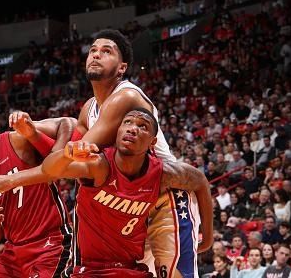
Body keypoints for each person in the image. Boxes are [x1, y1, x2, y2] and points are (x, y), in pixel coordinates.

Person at [0, 29, 213, 278]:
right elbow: (67, 159)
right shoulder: (89, 108)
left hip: (163, 195)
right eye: (93, 50)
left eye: (106, 51)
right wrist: (33, 133)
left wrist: (9, 179)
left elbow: (67, 161)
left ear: (122, 68)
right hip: (128, 207)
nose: (96, 55)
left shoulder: (125, 97)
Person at [40, 109, 212, 277]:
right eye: (127, 122)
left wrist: (208, 238)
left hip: (132, 269)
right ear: (117, 132)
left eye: (142, 126)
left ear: (153, 142)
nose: (132, 128)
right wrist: (66, 154)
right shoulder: (99, 165)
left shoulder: (162, 174)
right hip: (91, 269)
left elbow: (200, 181)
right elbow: (48, 169)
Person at [0, 96, 75, 277]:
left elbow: (67, 123)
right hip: (13, 252)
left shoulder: (17, 139)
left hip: (51, 242)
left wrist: (53, 161)